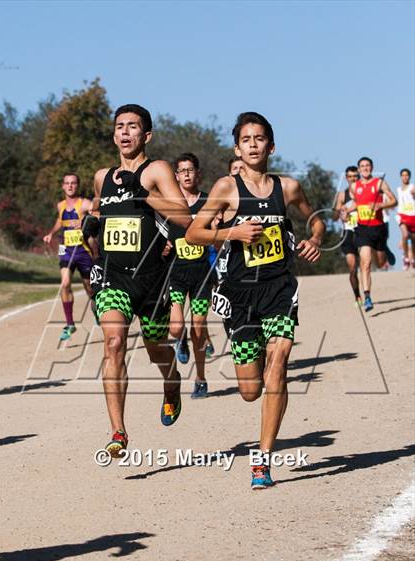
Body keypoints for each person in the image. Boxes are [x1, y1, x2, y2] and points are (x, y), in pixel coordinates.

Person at [186, 112, 324, 489]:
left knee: (279, 363)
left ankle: (261, 461)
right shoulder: (225, 189)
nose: (252, 144)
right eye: (245, 139)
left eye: (259, 138)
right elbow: (195, 233)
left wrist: (313, 239)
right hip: (240, 292)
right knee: (250, 390)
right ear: (237, 148)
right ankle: (257, 360)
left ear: (271, 145)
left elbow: (316, 220)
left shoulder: (289, 188)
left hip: (279, 287)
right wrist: (233, 231)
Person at [89, 104, 191, 456]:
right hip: (114, 277)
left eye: (133, 127)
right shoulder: (103, 177)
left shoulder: (157, 170)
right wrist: (91, 228)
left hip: (152, 279)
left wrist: (145, 193)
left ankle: (172, 381)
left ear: (146, 135)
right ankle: (118, 432)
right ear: (114, 133)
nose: (125, 132)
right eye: (120, 126)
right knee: (114, 343)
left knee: (155, 348)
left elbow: (185, 217)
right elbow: (98, 216)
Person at [168, 153, 214, 398]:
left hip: (201, 273)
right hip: (176, 272)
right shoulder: (171, 204)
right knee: (176, 327)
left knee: (199, 328)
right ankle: (180, 339)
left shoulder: (208, 202)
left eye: (190, 170)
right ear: (175, 176)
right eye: (182, 170)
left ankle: (201, 379)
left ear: (198, 173)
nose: (186, 174)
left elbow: (219, 229)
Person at [43, 173, 94, 340]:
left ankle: (96, 309)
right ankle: (70, 324)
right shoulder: (60, 205)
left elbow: (99, 215)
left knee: (90, 288)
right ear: (63, 186)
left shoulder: (85, 204)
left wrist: (85, 220)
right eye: (67, 183)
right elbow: (60, 220)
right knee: (65, 284)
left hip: (83, 250)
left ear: (77, 185)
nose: (70, 186)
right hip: (66, 249)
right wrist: (51, 233)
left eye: (73, 183)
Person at [348, 157, 397, 312]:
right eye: (362, 166)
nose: (365, 168)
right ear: (359, 169)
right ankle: (367, 297)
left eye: (367, 165)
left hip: (379, 228)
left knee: (381, 264)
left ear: (372, 167)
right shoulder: (354, 187)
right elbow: (357, 203)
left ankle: (385, 251)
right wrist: (346, 211)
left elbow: (393, 200)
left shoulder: (379, 183)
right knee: (366, 262)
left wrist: (380, 205)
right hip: (363, 229)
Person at [335, 166, 361, 304]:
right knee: (352, 267)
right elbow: (335, 215)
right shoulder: (341, 195)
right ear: (346, 178)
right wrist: (341, 213)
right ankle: (357, 296)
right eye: (350, 176)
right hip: (348, 232)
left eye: (355, 176)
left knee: (365, 264)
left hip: (362, 230)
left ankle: (367, 293)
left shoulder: (363, 192)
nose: (353, 179)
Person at [396, 168, 415, 270]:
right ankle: (406, 257)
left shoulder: (412, 187)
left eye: (406, 175)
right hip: (402, 216)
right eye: (403, 175)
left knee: (413, 240)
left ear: (409, 177)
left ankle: (413, 259)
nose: (405, 177)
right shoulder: (398, 190)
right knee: (405, 234)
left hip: (413, 216)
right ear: (400, 177)